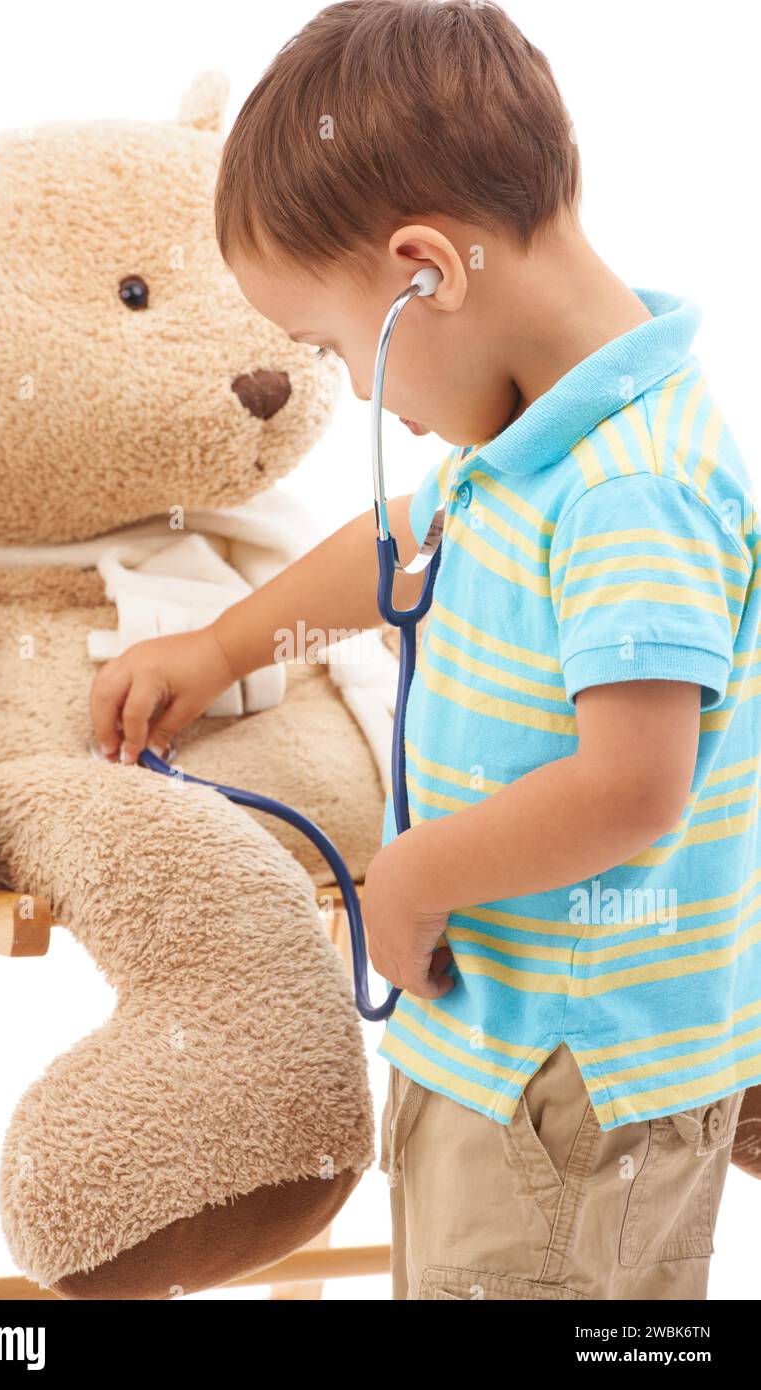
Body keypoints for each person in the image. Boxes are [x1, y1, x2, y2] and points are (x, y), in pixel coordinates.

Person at [90, 0, 760, 1299]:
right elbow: (404, 538)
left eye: (341, 347)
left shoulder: (634, 487)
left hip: (573, 1093)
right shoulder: (535, 441)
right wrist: (223, 647)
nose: (357, 390)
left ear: (425, 276)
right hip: (506, 1052)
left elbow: (636, 783)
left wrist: (412, 877)